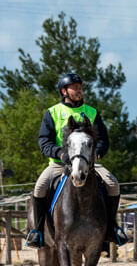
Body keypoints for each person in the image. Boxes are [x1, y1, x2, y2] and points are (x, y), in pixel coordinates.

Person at [25, 72, 127, 248]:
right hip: (59, 163)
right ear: (64, 91)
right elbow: (44, 141)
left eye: (80, 88)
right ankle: (38, 232)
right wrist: (59, 153)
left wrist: (97, 153)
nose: (80, 91)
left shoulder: (92, 112)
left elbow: (103, 139)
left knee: (113, 184)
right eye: (75, 88)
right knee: (40, 187)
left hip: (88, 163)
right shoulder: (53, 112)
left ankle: (111, 228)